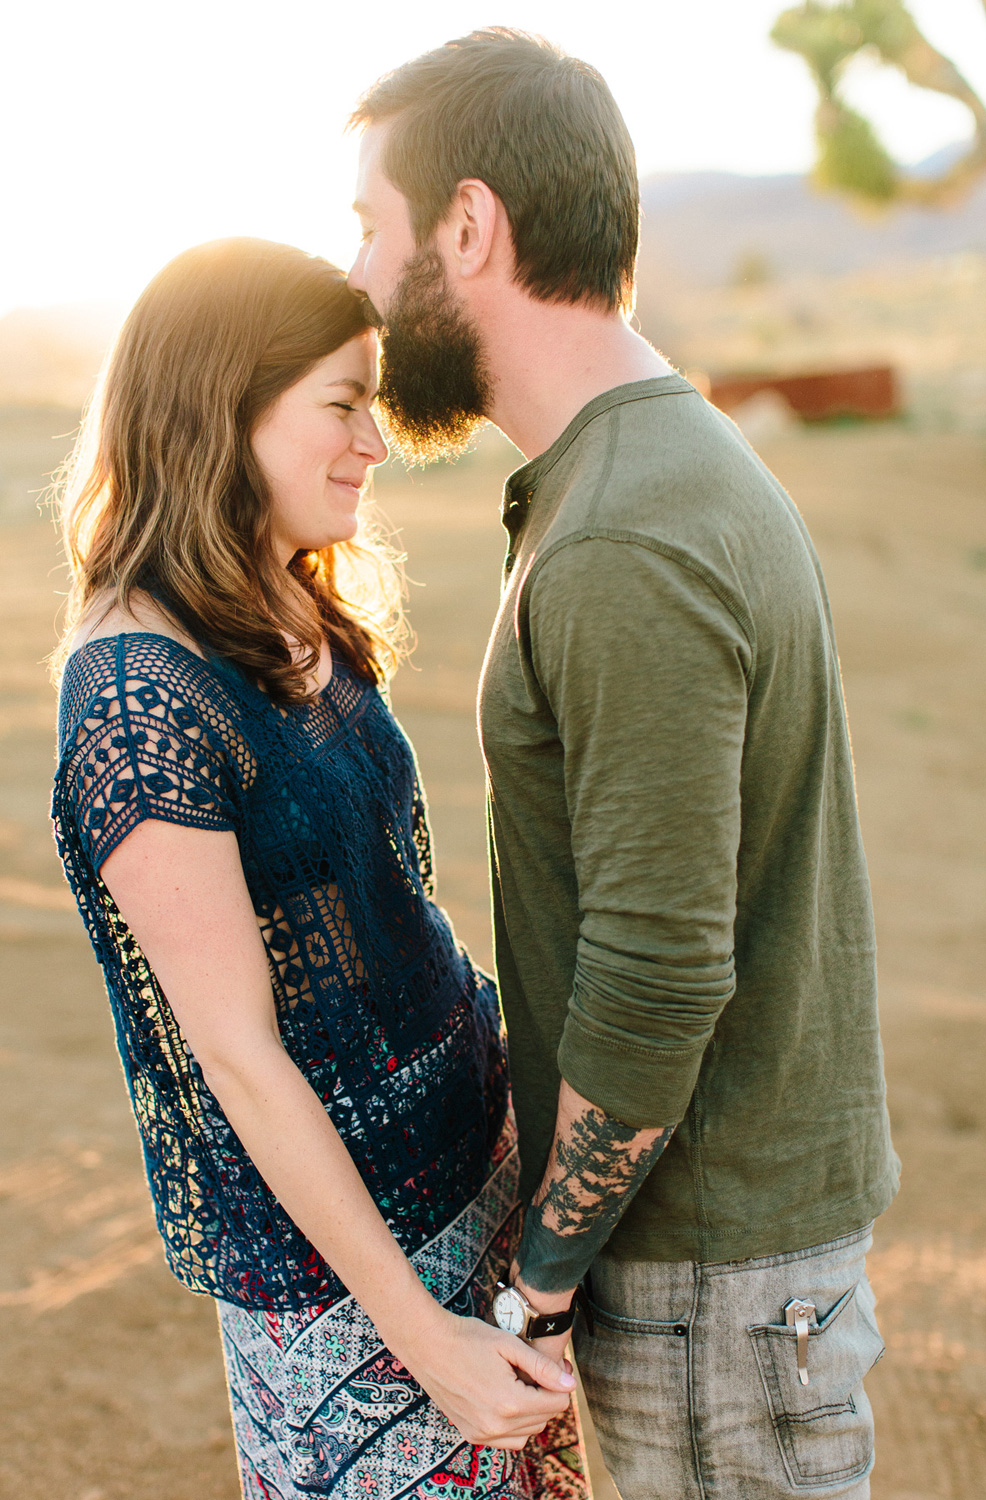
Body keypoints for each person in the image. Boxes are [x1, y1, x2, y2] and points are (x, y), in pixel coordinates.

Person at [347, 29, 900, 1500]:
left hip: (709, 1289)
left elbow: (659, 966)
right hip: (727, 1270)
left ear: (467, 226)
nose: (354, 278)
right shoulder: (643, 472)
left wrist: (537, 1287)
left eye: (367, 227)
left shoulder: (625, 535)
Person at [50, 236, 591, 1500]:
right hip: (351, 1297)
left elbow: (390, 916)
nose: (375, 441)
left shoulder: (283, 600)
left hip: (476, 1188)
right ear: (216, 412)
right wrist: (425, 1344)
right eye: (342, 406)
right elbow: (240, 1055)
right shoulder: (137, 699)